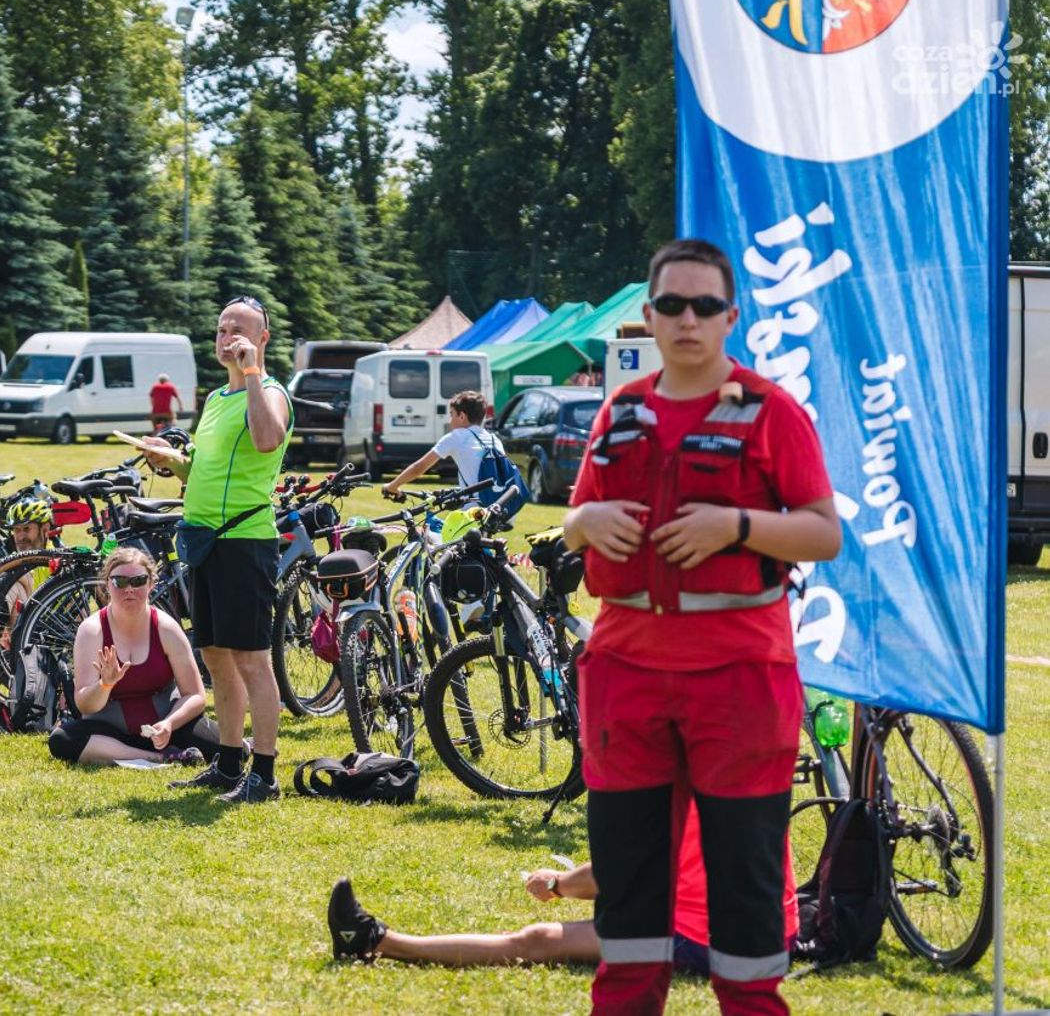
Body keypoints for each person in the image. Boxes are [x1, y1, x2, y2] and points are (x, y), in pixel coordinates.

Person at [563, 239, 841, 1015]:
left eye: (706, 305)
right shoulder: (621, 411)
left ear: (731, 317)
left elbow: (823, 533)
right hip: (626, 679)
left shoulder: (771, 412)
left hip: (739, 682)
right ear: (649, 315)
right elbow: (574, 524)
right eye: (673, 305)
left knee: (745, 896)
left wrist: (735, 525)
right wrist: (583, 522)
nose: (689, 320)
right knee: (628, 899)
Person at [326, 801, 799, 974]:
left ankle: (374, 940)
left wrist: (554, 884)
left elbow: (613, 877)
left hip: (709, 938)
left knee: (535, 940)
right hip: (772, 927)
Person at [144, 295, 292, 803]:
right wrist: (173, 461)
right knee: (216, 657)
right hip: (204, 540)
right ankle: (229, 763)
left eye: (239, 330)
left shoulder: (270, 392)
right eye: (222, 330)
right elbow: (204, 468)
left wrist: (251, 373)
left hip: (245, 541)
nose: (227, 338)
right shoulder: (214, 399)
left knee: (252, 660)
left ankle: (264, 775)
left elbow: (268, 439)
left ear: (262, 338)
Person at [47, 547, 221, 766]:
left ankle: (163, 750)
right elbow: (84, 705)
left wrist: (169, 724)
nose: (129, 589)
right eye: (119, 582)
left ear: (151, 584)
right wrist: (104, 685)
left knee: (230, 750)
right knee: (62, 740)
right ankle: (159, 757)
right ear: (107, 585)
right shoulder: (91, 631)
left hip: (165, 726)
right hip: (110, 732)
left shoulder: (166, 628)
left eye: (138, 581)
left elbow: (195, 695)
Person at [381, 390, 503, 499]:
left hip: (475, 510)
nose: (450, 420)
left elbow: (419, 467)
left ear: (461, 417)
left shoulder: (457, 436)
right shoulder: (493, 439)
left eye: (451, 415)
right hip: (501, 509)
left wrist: (392, 486)